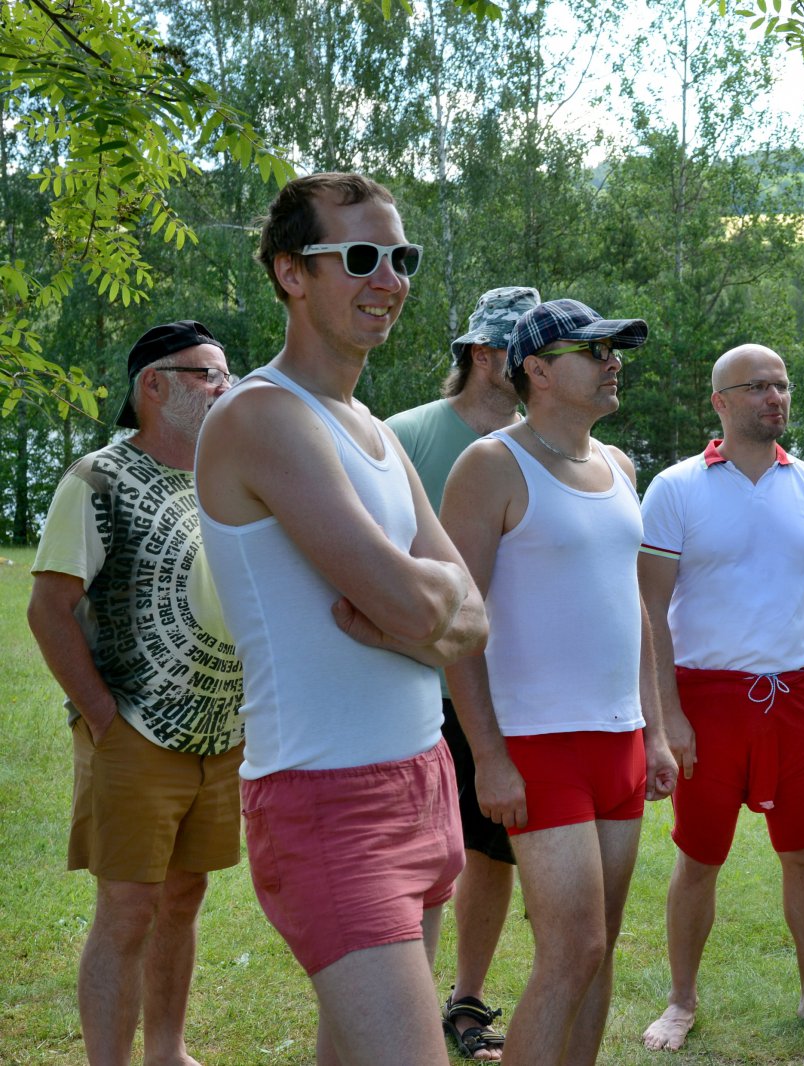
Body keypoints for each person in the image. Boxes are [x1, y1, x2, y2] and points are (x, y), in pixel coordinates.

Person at [194, 172, 487, 1066]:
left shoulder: (373, 429)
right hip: (328, 801)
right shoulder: (261, 416)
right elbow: (424, 602)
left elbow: (472, 618)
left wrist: (409, 619)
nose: (389, 280)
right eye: (360, 257)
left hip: (424, 774)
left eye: (402, 258)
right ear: (291, 273)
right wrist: (421, 614)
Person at [440, 297, 677, 1066]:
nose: (614, 363)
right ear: (537, 371)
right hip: (537, 744)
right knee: (572, 949)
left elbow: (631, 610)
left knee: (599, 950)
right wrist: (489, 757)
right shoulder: (490, 466)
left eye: (615, 350)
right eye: (594, 351)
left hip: (620, 741)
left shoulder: (620, 466)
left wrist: (655, 732)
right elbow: (457, 624)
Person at [638, 343, 804, 1053]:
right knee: (699, 857)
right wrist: (668, 715)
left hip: (796, 698)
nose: (776, 398)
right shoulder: (676, 488)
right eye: (758, 387)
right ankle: (680, 1002)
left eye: (782, 385)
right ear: (721, 401)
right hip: (705, 699)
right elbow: (649, 610)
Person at [27, 319, 243, 1066]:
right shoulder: (99, 479)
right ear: (154, 385)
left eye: (228, 374)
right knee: (127, 910)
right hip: (131, 733)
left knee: (184, 897)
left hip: (219, 735)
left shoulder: (226, 479)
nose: (225, 388)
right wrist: (103, 719)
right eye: (207, 374)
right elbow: (49, 609)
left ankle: (168, 1052)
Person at [389, 284, 543, 1062]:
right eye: (525, 349)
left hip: (513, 692)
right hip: (417, 688)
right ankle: (405, 1008)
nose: (540, 363)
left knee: (491, 849)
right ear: (485, 354)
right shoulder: (406, 436)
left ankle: (466, 999)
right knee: (417, 854)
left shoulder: (543, 444)